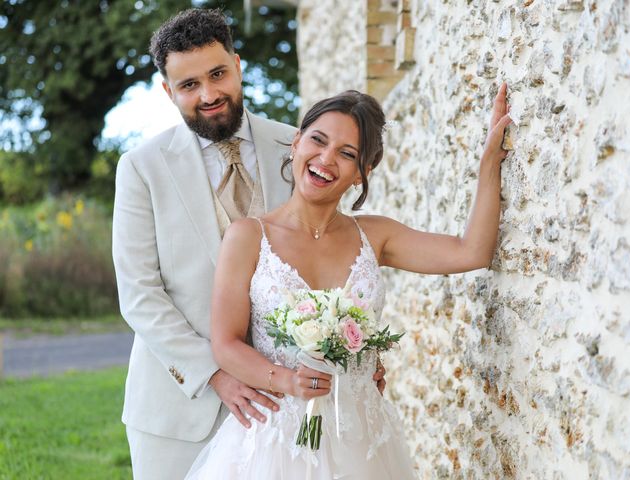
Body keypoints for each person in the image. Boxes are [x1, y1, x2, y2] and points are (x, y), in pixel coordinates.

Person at [111, 8, 385, 479]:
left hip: (285, 413)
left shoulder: (299, 147)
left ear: (238, 66)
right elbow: (139, 293)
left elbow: (336, 252)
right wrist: (214, 373)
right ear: (168, 91)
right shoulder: (141, 167)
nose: (209, 94)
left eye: (218, 74)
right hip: (179, 409)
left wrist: (355, 353)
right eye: (189, 84)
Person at [185, 87, 511, 478]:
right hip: (276, 440)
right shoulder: (247, 236)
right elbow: (226, 344)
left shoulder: (376, 236)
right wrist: (288, 381)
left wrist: (489, 164)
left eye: (347, 154)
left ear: (362, 173)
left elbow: (471, 252)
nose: (325, 159)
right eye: (318, 140)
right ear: (296, 142)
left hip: (360, 438)